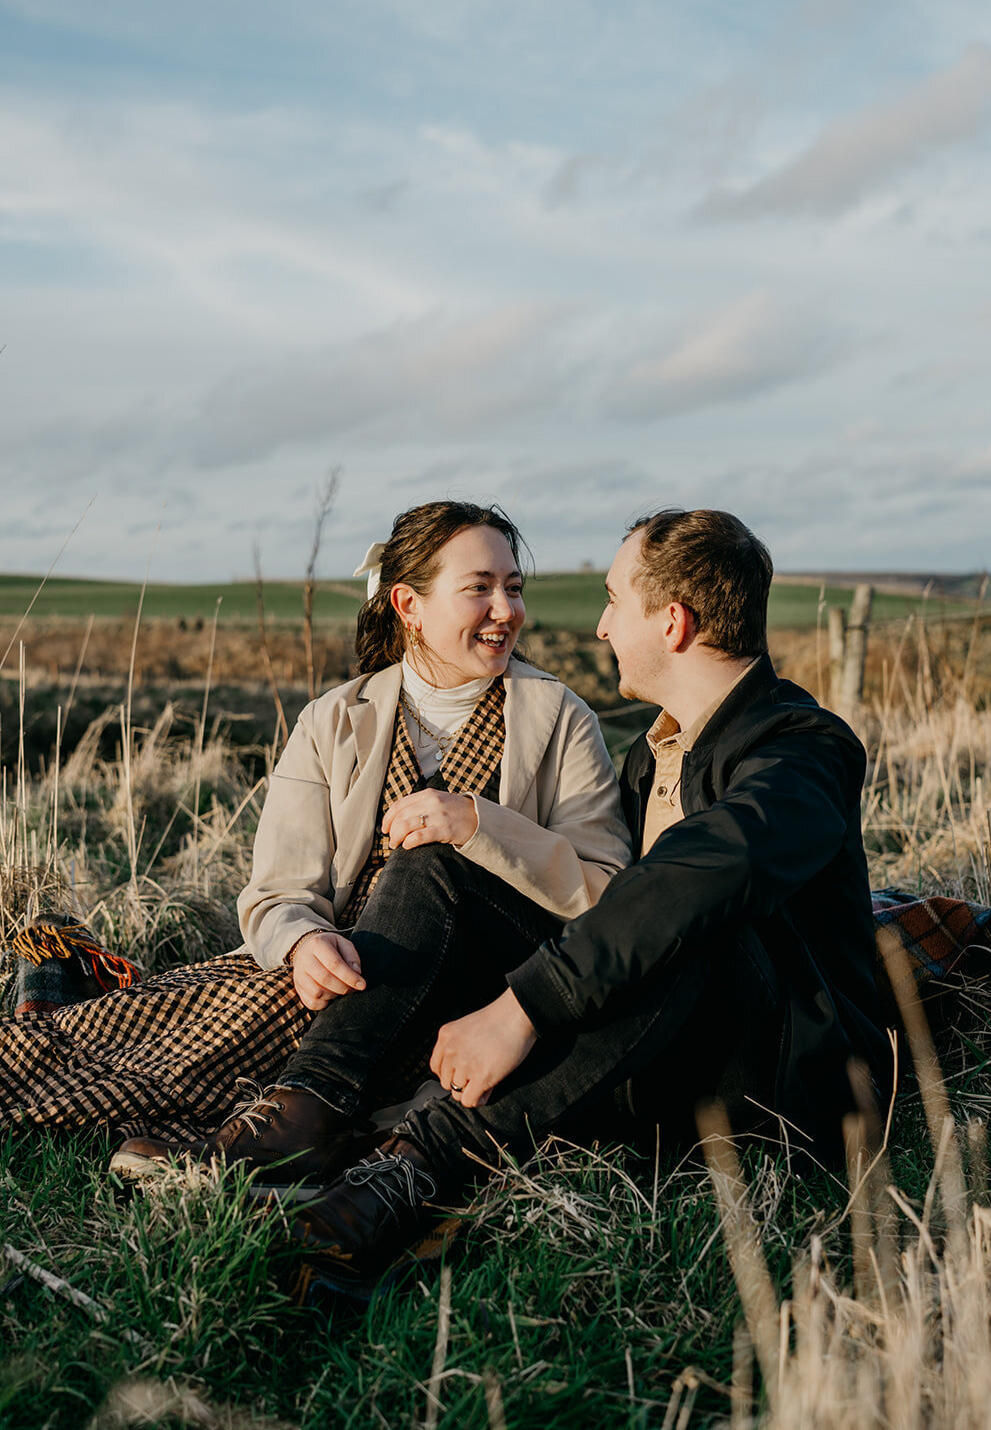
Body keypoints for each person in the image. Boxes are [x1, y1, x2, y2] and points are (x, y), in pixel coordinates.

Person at [208, 507, 891, 1305]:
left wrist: (522, 1007)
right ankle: (313, 1113)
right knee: (441, 868)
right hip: (656, 1048)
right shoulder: (656, 754)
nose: (598, 627)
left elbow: (695, 879)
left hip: (782, 1082)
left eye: (610, 600)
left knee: (687, 923)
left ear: (671, 623)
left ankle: (411, 1171)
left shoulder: (801, 747)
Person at [0, 501, 630, 1149]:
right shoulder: (331, 719)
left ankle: (289, 1121)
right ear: (408, 606)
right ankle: (219, 1120)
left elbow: (605, 893)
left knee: (397, 889)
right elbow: (276, 892)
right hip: (347, 967)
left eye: (513, 587)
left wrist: (478, 824)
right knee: (198, 1013)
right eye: (479, 588)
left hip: (479, 986)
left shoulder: (559, 717)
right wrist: (302, 944)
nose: (507, 610)